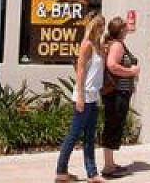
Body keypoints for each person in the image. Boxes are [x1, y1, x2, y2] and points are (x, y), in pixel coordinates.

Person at [55, 13, 107, 183]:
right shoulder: (86, 45)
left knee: (90, 137)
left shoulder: (98, 46)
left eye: (103, 25)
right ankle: (61, 171)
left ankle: (92, 174)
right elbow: (81, 71)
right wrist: (80, 97)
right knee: (73, 135)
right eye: (98, 25)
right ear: (92, 27)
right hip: (84, 96)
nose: (102, 29)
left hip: (93, 96)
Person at [100, 16, 140, 178]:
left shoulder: (117, 43)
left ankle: (110, 163)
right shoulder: (116, 45)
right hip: (116, 93)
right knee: (113, 126)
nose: (128, 28)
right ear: (121, 29)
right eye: (125, 26)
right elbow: (112, 65)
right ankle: (108, 167)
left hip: (119, 92)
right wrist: (131, 71)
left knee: (114, 125)